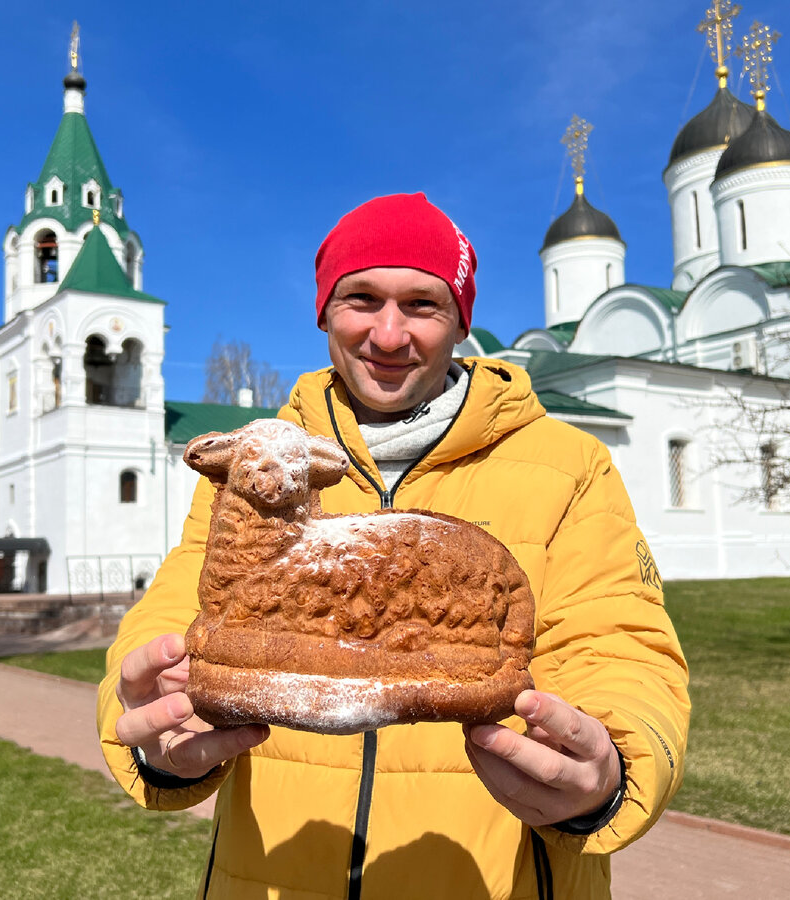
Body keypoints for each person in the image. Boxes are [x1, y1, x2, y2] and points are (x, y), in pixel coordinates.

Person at [97, 192, 689, 900]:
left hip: (493, 876)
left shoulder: (567, 465)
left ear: (460, 320)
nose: (387, 334)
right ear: (324, 312)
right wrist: (153, 735)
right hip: (274, 877)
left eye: (422, 305)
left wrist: (610, 771)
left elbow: (619, 642)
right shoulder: (260, 465)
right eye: (361, 298)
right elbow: (172, 618)